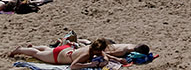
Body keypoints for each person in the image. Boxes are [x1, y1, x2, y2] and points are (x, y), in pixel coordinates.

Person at [9, 41, 149, 67]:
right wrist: (89, 64)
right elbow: (73, 66)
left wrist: (117, 61)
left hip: (65, 50)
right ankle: (19, 50)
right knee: (37, 54)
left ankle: (31, 46)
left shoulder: (92, 47)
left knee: (46, 49)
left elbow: (106, 55)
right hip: (59, 57)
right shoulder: (85, 55)